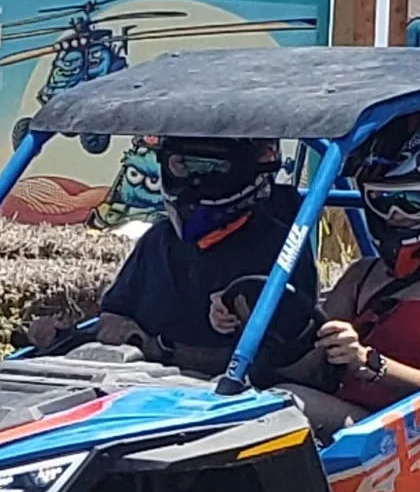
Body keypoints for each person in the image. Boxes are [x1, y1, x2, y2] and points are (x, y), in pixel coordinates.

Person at [212, 103, 420, 438]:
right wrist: (247, 321)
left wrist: (369, 363)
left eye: (412, 201)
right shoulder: (362, 274)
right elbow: (306, 369)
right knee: (247, 402)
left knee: (287, 406)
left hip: (418, 433)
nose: (395, 214)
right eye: (381, 201)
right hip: (350, 431)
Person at [25, 136, 320, 377]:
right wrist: (73, 336)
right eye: (181, 166)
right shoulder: (158, 240)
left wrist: (160, 350)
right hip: (134, 389)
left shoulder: (280, 246)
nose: (194, 180)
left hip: (220, 404)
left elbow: (272, 363)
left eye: (211, 168)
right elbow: (115, 314)